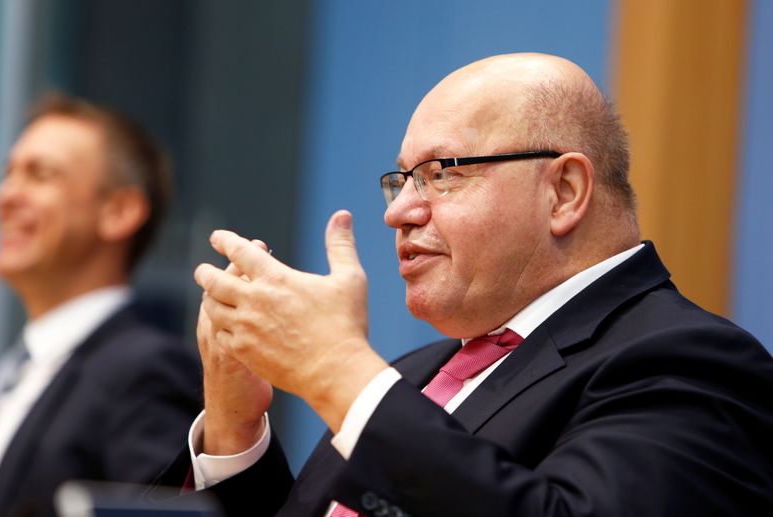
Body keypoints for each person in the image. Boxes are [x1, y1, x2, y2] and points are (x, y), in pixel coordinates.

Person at [169, 53, 773, 515]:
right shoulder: (413, 377)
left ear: (563, 192)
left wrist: (336, 371)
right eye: (401, 180)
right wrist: (234, 427)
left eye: (440, 174)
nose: (399, 210)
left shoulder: (689, 362)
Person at [0, 94, 202, 517]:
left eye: (40, 175)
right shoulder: (17, 369)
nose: (5, 195)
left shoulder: (146, 370)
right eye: (8, 174)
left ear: (119, 211)